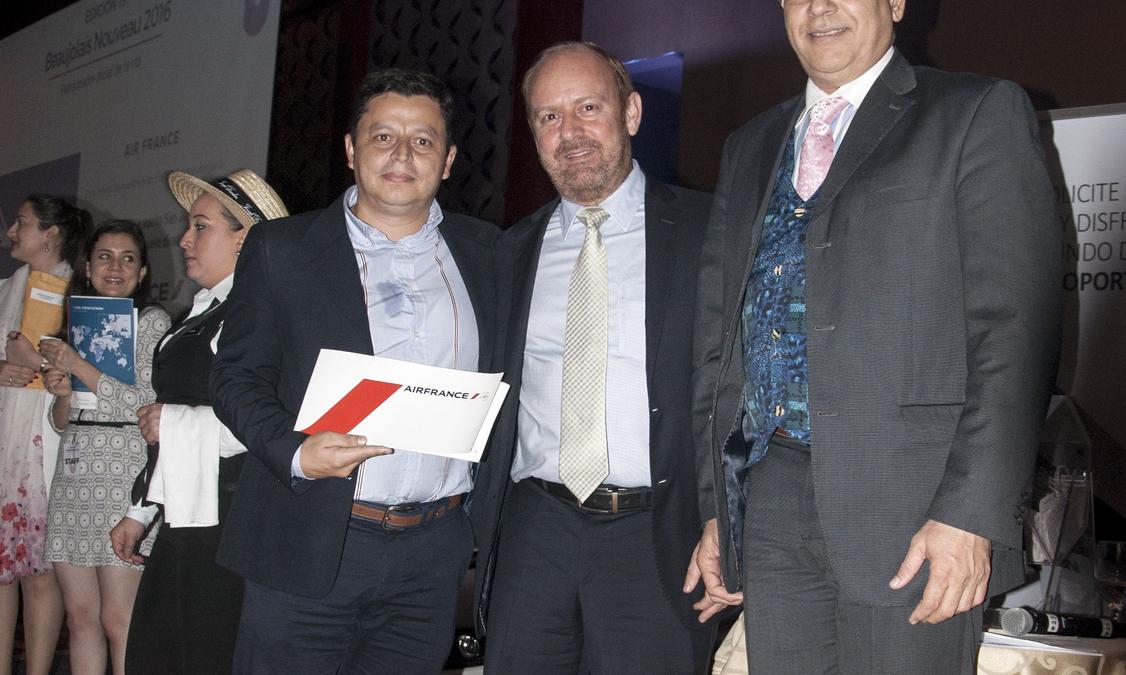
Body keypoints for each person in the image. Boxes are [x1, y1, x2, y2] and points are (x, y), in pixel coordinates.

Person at [689, 0, 1062, 672]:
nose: (821, 7)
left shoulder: (973, 112)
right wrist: (720, 508)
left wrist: (970, 514)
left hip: (914, 510)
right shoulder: (749, 145)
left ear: (895, 2)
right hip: (769, 501)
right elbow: (720, 344)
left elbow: (1015, 333)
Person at [210, 69, 497, 674]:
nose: (402, 154)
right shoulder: (282, 249)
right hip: (309, 537)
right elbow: (236, 378)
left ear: (448, 161)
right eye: (383, 136)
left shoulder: (490, 253)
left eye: (423, 140)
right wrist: (294, 451)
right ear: (350, 149)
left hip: (432, 555)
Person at [470, 42, 715, 673]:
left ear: (631, 113)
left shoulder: (708, 231)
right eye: (549, 116)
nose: (569, 132)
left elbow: (741, 389)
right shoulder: (511, 251)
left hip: (659, 537)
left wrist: (728, 523)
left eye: (588, 107)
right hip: (533, 531)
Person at [108, 169, 288, 675]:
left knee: (206, 655)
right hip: (187, 512)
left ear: (244, 237)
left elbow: (273, 423)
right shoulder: (204, 311)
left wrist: (175, 422)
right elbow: (171, 417)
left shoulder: (259, 315)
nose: (185, 239)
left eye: (200, 227)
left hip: (231, 518)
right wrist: (141, 510)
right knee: (160, 653)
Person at [40, 220, 170, 675]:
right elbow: (61, 422)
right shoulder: (75, 326)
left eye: (128, 258)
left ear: (142, 271)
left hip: (123, 474)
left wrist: (77, 366)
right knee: (80, 619)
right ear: (88, 268)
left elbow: (146, 402)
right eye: (105, 257)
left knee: (119, 619)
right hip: (73, 476)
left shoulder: (151, 322)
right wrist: (62, 392)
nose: (115, 267)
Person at [1, 195, 91, 675]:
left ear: (50, 233)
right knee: (1, 570)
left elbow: (90, 379)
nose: (12, 232)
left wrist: (34, 364)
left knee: (38, 573)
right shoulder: (4, 290)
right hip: (4, 446)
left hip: (49, 446)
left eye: (22, 222)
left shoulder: (81, 295)